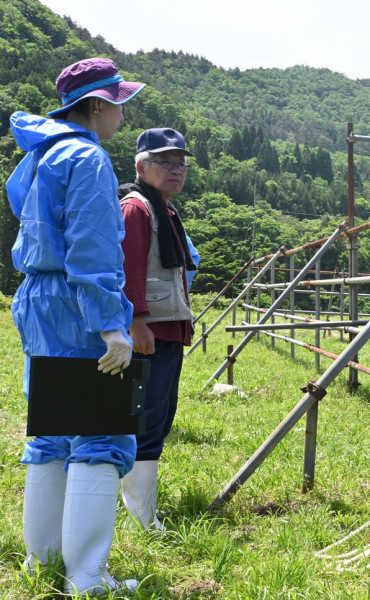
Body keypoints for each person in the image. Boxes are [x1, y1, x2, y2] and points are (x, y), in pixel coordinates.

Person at [6, 58, 145, 595]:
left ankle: (41, 562)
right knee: (100, 429)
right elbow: (90, 247)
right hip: (75, 300)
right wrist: (111, 323)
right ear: (94, 105)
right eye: (117, 101)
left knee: (52, 428)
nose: (121, 112)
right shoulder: (87, 158)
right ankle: (87, 576)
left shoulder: (45, 152)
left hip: (38, 297)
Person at [118, 128, 197, 530]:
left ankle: (141, 508)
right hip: (150, 333)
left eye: (181, 163)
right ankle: (140, 516)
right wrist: (136, 322)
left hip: (167, 330)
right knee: (145, 419)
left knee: (161, 416)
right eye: (165, 162)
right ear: (141, 166)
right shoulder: (137, 209)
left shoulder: (163, 210)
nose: (176, 170)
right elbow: (129, 269)